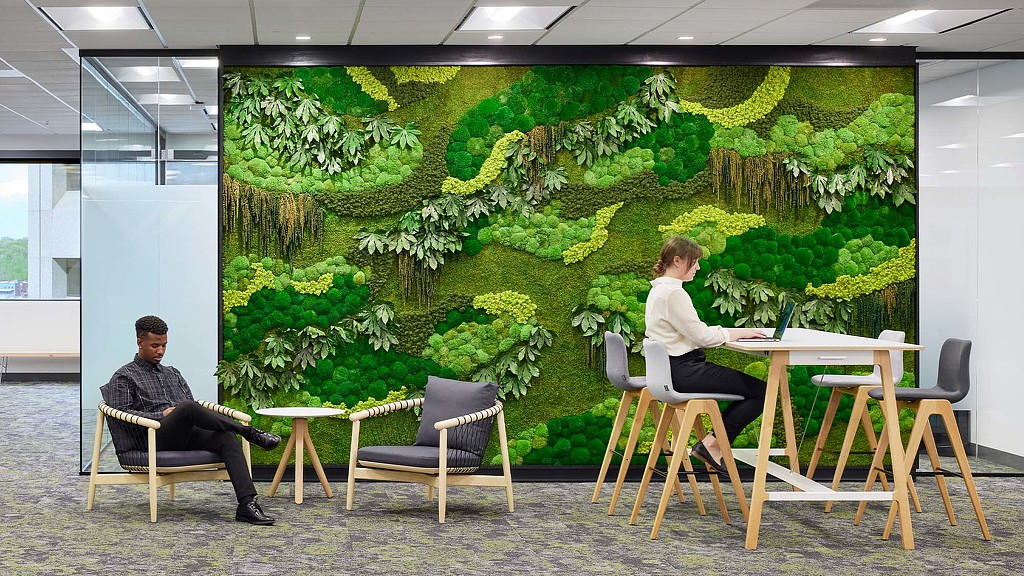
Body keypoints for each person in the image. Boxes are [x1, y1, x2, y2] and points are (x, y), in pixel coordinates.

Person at [104, 315, 281, 525]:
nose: (160, 351)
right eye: (154, 345)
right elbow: (122, 416)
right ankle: (250, 432)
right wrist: (160, 416)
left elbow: (192, 408)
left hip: (183, 433)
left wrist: (182, 414)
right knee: (186, 408)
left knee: (226, 437)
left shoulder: (173, 373)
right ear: (139, 342)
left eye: (164, 345)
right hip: (151, 438)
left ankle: (247, 504)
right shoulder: (124, 376)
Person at [645, 236, 768, 473]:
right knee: (761, 391)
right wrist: (737, 334)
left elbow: (696, 332)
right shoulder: (673, 294)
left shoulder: (659, 292)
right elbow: (702, 337)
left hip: (670, 371)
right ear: (678, 260)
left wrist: (736, 332)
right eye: (695, 262)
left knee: (755, 390)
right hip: (684, 371)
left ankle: (711, 444)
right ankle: (712, 445)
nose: (698, 267)